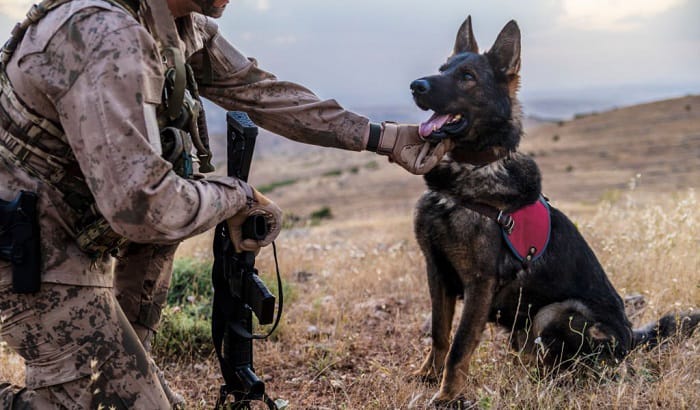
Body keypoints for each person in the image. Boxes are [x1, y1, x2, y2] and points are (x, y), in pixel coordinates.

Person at [0, 0, 450, 407]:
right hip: (28, 250)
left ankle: (123, 368)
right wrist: (238, 196)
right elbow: (144, 208)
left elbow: (264, 95)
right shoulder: (104, 33)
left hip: (73, 232)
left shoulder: (179, 26)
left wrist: (386, 138)